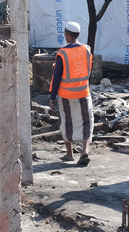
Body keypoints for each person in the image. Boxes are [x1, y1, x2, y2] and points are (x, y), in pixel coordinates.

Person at [49, 21, 93, 166]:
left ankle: (70, 154)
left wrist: (52, 96)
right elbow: (87, 70)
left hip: (67, 94)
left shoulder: (63, 53)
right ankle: (84, 150)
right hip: (83, 92)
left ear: (66, 34)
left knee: (67, 122)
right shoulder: (86, 49)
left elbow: (57, 77)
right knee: (86, 121)